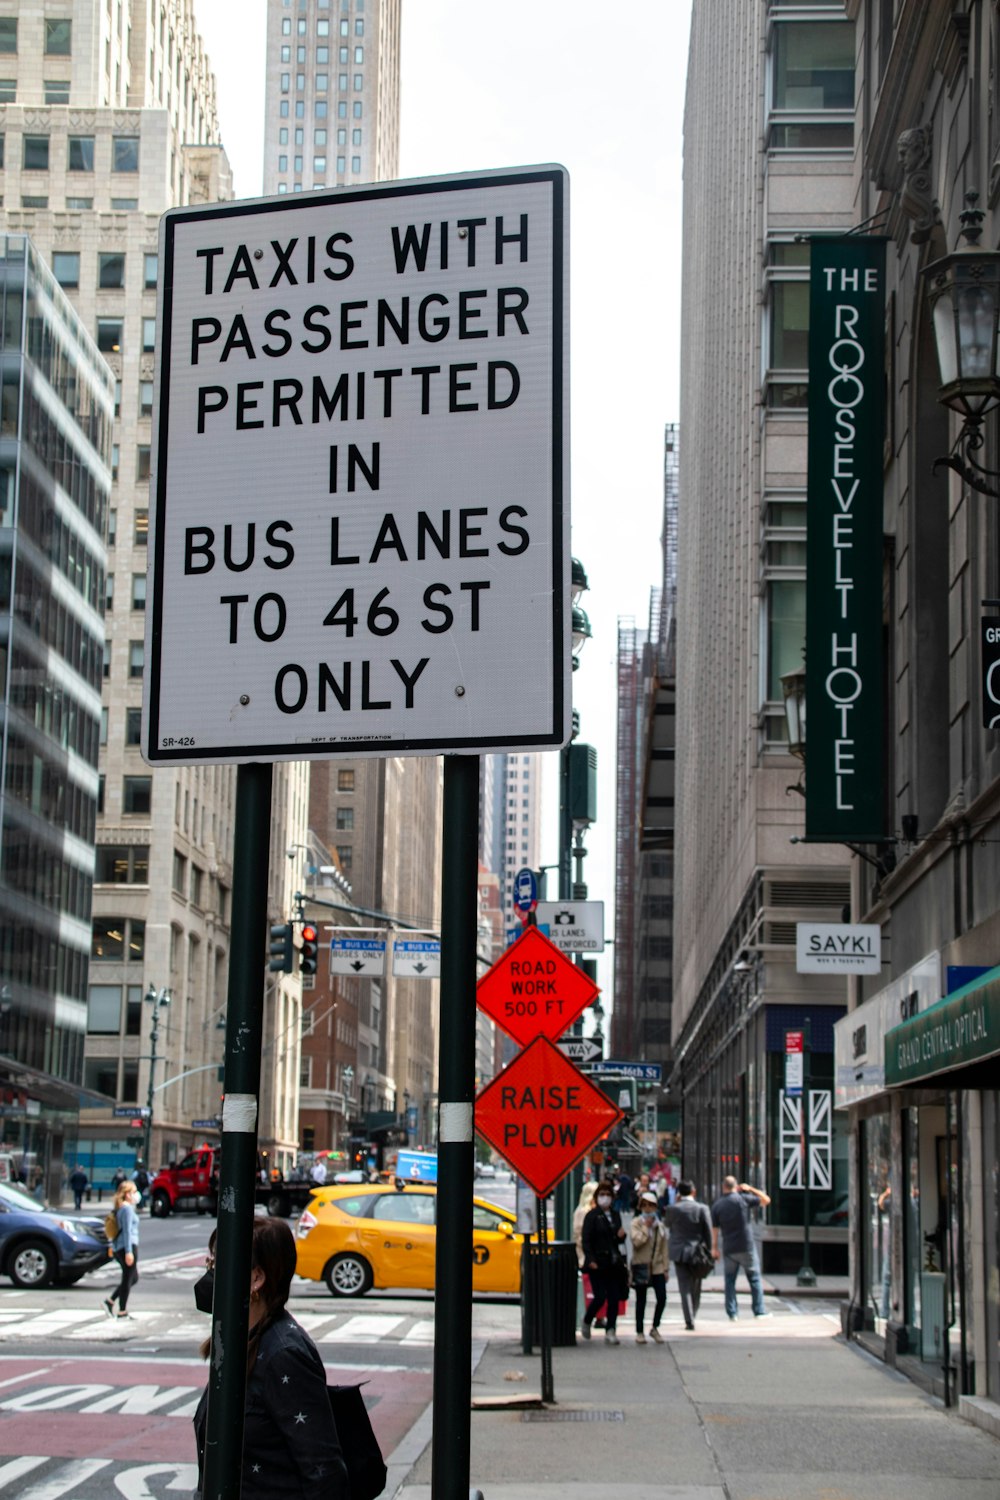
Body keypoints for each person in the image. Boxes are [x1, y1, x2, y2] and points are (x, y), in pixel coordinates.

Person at [193, 1217, 349, 1499]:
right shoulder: (241, 1340)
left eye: (216, 1264)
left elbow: (324, 1471)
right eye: (210, 1263)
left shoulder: (283, 1355)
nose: (210, 1274)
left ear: (256, 1278)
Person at [710, 1176, 771, 1321]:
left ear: (723, 1186)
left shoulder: (717, 1205)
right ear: (736, 1186)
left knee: (730, 1280)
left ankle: (732, 1313)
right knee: (754, 1278)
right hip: (746, 1245)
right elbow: (766, 1200)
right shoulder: (743, 1199)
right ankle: (759, 1311)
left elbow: (715, 1229)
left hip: (729, 1247)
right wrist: (750, 1189)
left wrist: (714, 1248)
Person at [580, 1179, 627, 1344]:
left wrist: (621, 1236)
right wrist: (590, 1259)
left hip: (613, 1263)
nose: (605, 1198)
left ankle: (611, 1330)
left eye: (608, 1194)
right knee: (599, 1296)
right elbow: (586, 1240)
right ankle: (587, 1320)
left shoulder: (615, 1215)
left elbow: (618, 1240)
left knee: (614, 1297)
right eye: (602, 1194)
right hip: (597, 1263)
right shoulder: (592, 1216)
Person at [667, 1180, 713, 1331]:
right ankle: (693, 1313)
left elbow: (667, 1225)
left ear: (679, 1193)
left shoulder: (673, 1208)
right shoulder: (702, 1209)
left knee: (684, 1287)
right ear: (693, 1191)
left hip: (679, 1252)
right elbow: (708, 1232)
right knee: (696, 1285)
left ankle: (689, 1319)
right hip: (696, 1252)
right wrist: (710, 1251)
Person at [630, 1190, 668, 1343]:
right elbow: (636, 1242)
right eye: (644, 1205)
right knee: (641, 1300)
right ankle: (639, 1331)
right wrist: (646, 1228)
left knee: (662, 1297)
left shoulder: (660, 1226)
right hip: (641, 1265)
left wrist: (666, 1268)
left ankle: (655, 1327)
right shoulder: (636, 1223)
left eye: (651, 1206)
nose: (647, 1209)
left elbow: (665, 1248)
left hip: (657, 1266)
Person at [103, 1178, 141, 1320]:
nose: (137, 1194)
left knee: (133, 1277)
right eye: (134, 1191)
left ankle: (110, 1301)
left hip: (123, 1246)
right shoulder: (126, 1209)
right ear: (127, 1194)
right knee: (128, 1278)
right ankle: (122, 1311)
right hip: (127, 1246)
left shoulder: (122, 1208)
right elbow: (126, 1231)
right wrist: (129, 1252)